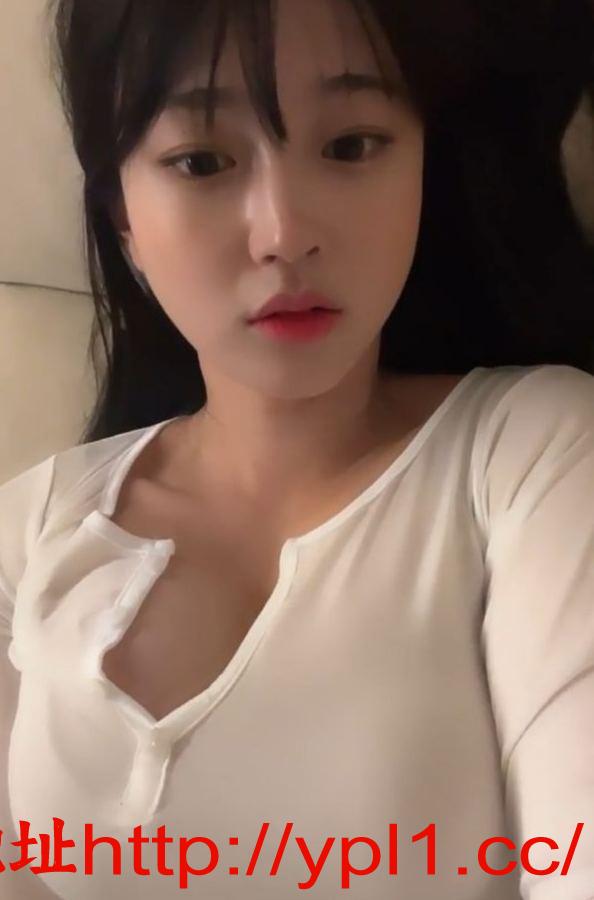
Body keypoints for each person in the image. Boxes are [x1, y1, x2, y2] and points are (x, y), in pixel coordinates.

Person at [1, 0, 593, 896]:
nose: (285, 232)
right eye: (202, 161)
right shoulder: (31, 532)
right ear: (123, 217)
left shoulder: (535, 456)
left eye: (352, 145)